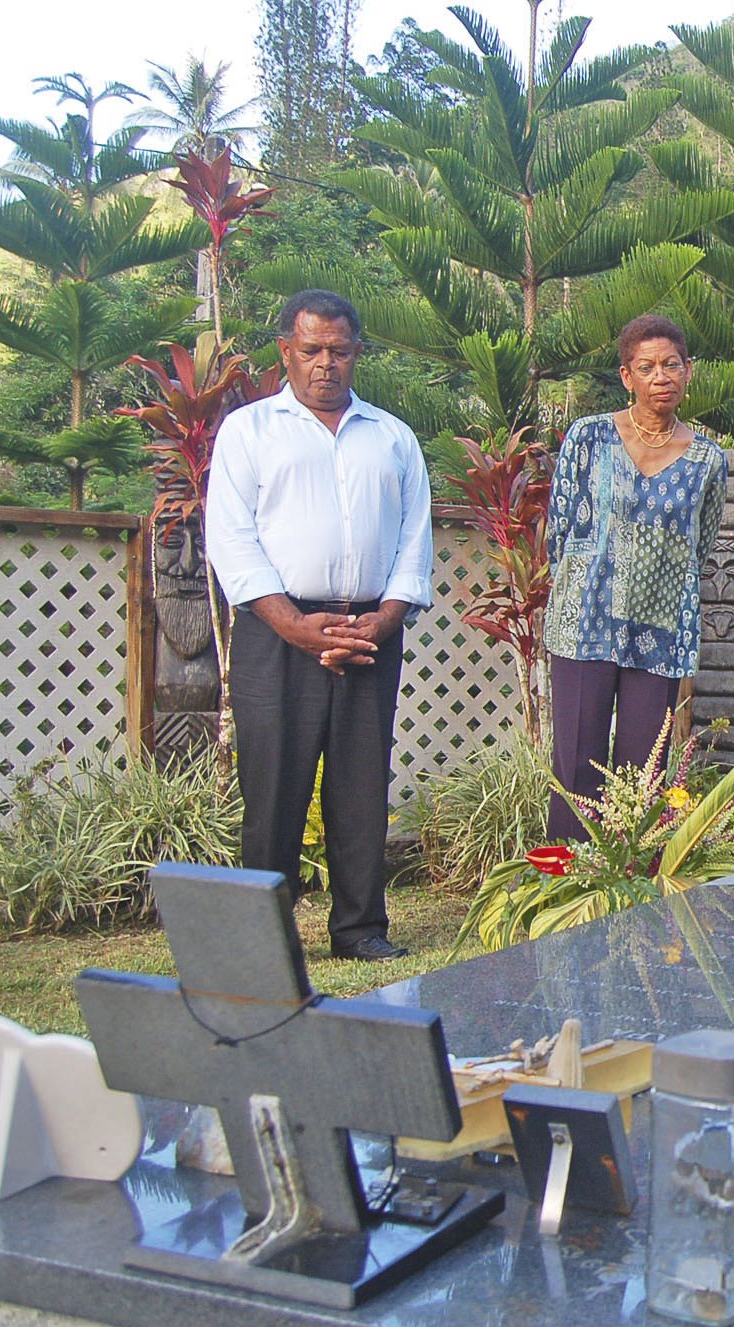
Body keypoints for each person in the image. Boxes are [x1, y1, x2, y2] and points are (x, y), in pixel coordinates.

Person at [207, 289, 432, 962]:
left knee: (360, 788)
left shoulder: (392, 437)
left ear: (357, 352)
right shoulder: (249, 431)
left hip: (371, 634)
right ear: (286, 351)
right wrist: (299, 627)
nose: (325, 364)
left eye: (339, 350)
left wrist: (383, 620)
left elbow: (414, 541)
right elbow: (232, 542)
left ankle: (360, 928)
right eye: (311, 351)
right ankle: (264, 942)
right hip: (277, 637)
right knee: (274, 788)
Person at [544, 314, 728, 839]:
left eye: (671, 364)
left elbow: (702, 542)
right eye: (646, 367)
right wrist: (583, 592)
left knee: (639, 775)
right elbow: (559, 528)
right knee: (577, 765)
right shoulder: (590, 437)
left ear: (688, 371)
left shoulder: (707, 460)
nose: (661, 376)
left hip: (660, 632)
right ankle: (567, 891)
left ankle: (629, 895)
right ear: (627, 377)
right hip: (583, 626)